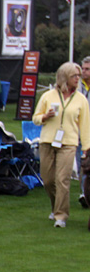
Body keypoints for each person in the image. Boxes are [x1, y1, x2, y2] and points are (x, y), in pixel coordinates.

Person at [32, 61, 90, 228]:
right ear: (64, 77)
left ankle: (61, 216)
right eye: (74, 76)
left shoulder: (81, 100)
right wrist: (44, 117)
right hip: (47, 141)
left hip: (69, 143)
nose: (78, 78)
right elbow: (35, 118)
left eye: (79, 75)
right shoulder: (48, 96)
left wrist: (86, 148)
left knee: (62, 179)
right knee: (48, 180)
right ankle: (55, 207)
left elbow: (85, 126)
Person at [77, 55, 90, 209]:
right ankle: (84, 193)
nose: (84, 72)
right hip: (79, 132)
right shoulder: (76, 87)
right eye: (83, 69)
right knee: (82, 163)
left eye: (87, 69)